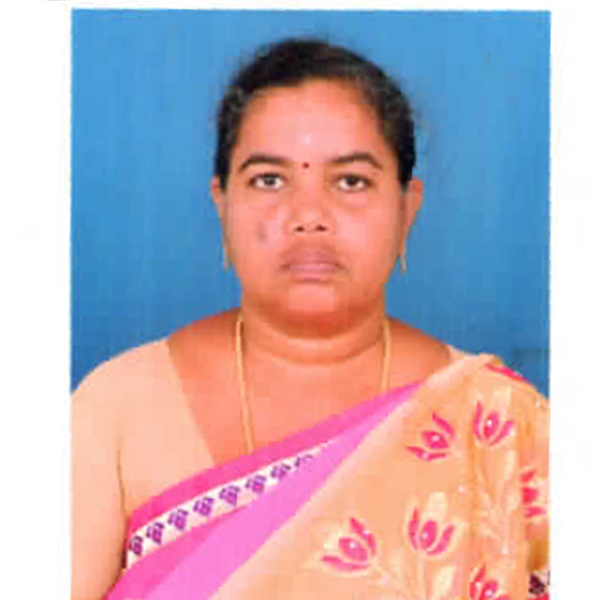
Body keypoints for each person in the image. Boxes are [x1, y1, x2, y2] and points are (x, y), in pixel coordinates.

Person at [72, 38, 549, 600]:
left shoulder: (497, 421)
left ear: (407, 208)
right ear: (222, 204)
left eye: (351, 181)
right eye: (269, 180)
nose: (308, 216)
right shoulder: (118, 408)